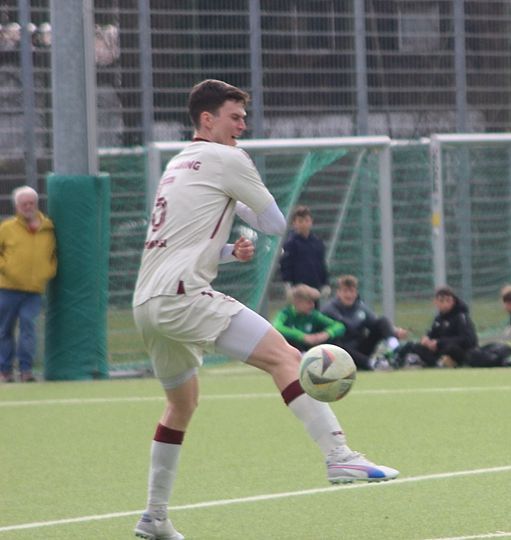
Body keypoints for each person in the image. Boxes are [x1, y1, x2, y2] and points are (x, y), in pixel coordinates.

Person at [131, 80, 397, 540]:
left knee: (181, 404)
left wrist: (229, 251)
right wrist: (243, 208)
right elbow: (274, 223)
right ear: (207, 119)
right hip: (182, 296)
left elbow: (182, 241)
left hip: (147, 303)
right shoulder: (228, 159)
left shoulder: (177, 164)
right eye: (234, 117)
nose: (242, 126)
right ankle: (339, 455)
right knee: (285, 356)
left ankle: (154, 516)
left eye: (243, 117)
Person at [0, 186, 56, 383]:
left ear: (36, 204)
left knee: (28, 327)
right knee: (4, 330)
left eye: (31, 203)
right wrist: (6, 268)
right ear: (17, 206)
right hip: (7, 289)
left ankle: (26, 370)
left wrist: (48, 271)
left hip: (33, 291)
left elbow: (53, 255)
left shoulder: (48, 228)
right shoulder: (6, 228)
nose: (28, 207)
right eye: (24, 204)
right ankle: (5, 371)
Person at [321, 274, 408, 371]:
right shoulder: (330, 309)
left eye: (352, 291)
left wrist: (395, 331)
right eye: (345, 291)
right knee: (337, 345)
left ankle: (395, 349)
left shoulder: (360, 306)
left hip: (360, 348)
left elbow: (376, 322)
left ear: (356, 292)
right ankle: (372, 363)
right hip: (341, 354)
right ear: (338, 293)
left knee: (382, 320)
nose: (349, 295)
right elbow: (348, 326)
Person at [396, 286, 478, 368]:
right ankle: (437, 363)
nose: (445, 304)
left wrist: (439, 343)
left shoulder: (460, 316)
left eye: (448, 300)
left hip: (458, 350)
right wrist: (427, 340)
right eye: (441, 301)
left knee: (451, 349)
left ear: (453, 301)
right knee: (414, 346)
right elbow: (432, 334)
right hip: (439, 350)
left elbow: (468, 340)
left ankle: (445, 362)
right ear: (435, 302)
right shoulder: (438, 319)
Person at [272, 284, 345, 352]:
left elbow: (339, 326)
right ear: (297, 302)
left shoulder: (314, 315)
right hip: (288, 352)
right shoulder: (286, 313)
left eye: (313, 302)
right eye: (309, 302)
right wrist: (302, 336)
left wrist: (325, 334)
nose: (313, 305)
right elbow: (277, 327)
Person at [279, 205, 330, 297]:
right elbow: (286, 264)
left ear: (311, 222)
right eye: (300, 221)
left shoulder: (317, 242)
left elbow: (321, 264)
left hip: (315, 287)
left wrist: (325, 283)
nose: (304, 224)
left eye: (307, 220)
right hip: (298, 288)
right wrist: (287, 283)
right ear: (294, 223)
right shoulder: (290, 243)